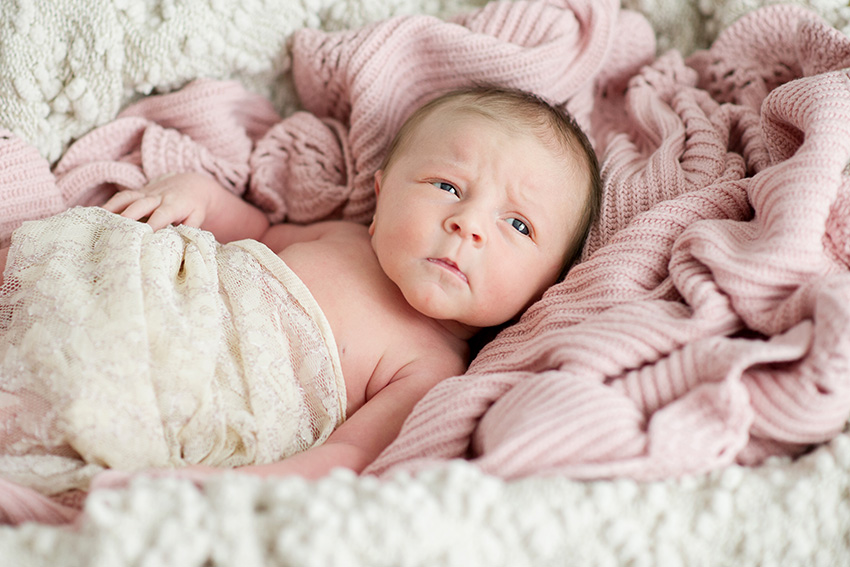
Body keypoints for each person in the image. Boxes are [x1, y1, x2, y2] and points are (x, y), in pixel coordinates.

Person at [0, 86, 601, 491]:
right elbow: (248, 224)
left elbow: (345, 458)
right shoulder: (341, 238)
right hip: (148, 306)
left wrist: (236, 491)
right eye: (448, 185)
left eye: (518, 225)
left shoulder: (434, 370)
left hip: (201, 403)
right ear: (381, 193)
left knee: (63, 424)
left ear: (548, 284)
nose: (467, 223)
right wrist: (191, 194)